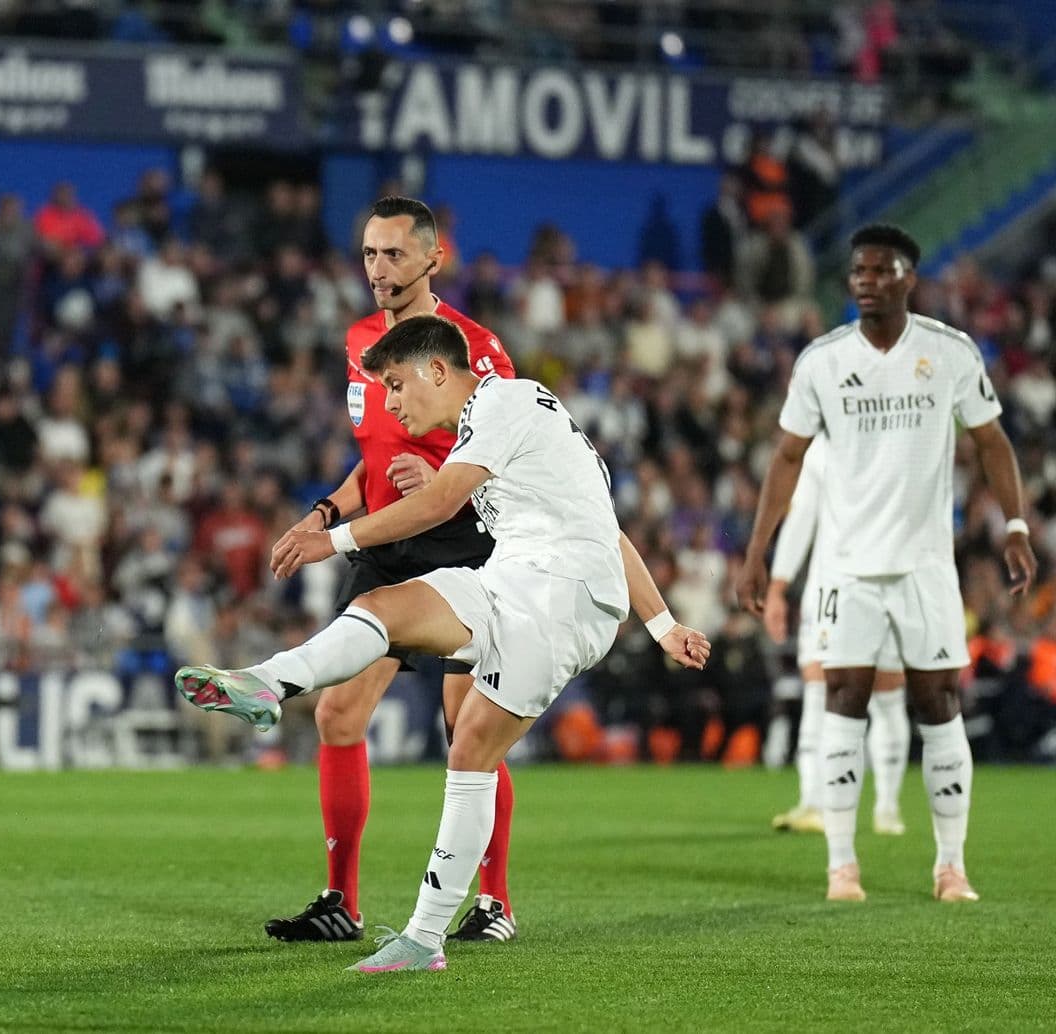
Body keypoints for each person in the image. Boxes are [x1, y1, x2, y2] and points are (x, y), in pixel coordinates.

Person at [176, 313, 710, 974]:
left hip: (564, 601)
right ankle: (268, 684)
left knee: (471, 747)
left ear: (437, 370)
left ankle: (426, 937)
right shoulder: (495, 426)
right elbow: (608, 528)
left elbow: (448, 509)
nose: (392, 402)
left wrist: (333, 538)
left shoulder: (507, 401)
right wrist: (665, 627)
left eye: (397, 384)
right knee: (384, 606)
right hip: (511, 579)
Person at [737, 223, 1035, 904]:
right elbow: (786, 458)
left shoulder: (949, 353)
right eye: (858, 272)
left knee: (939, 703)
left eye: (880, 270)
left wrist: (1015, 525)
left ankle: (950, 866)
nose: (866, 281)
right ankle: (842, 865)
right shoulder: (821, 360)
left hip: (927, 566)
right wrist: (759, 554)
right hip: (846, 566)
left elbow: (992, 442)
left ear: (909, 277)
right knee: (843, 699)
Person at [262, 196, 519, 945]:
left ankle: (494, 903)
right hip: (381, 543)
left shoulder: (476, 347)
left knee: (470, 728)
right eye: (370, 254)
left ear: (432, 260)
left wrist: (436, 469)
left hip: (462, 541)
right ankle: (341, 900)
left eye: (394, 255)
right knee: (338, 715)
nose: (379, 269)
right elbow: (373, 457)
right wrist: (323, 511)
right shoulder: (360, 340)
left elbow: (508, 448)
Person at [762, 433, 910, 836]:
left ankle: (884, 805)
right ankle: (821, 802)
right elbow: (803, 515)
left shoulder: (891, 437)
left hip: (881, 581)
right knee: (821, 687)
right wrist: (779, 583)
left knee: (882, 691)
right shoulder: (827, 448)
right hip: (836, 586)